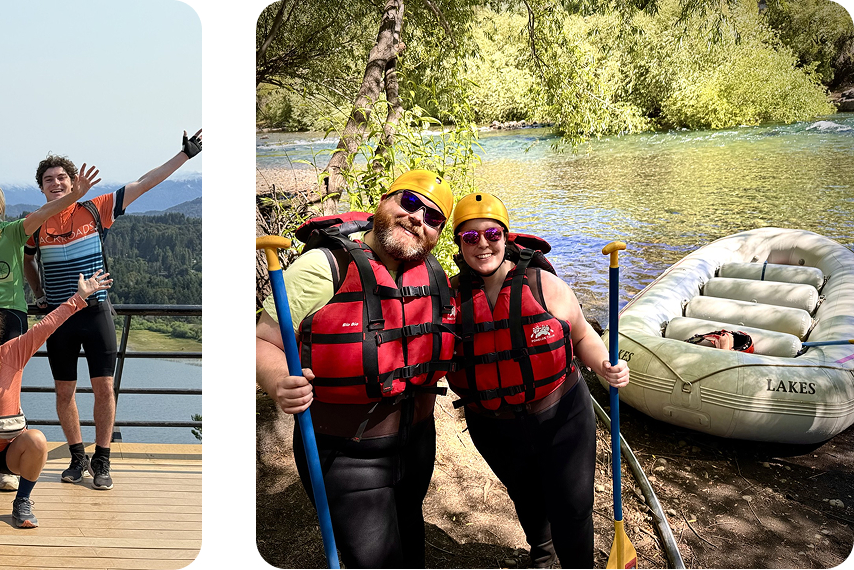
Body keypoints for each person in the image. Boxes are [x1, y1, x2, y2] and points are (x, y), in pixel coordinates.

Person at [255, 170, 457, 568]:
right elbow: (260, 340)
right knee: (374, 559)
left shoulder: (432, 275)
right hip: (345, 453)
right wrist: (278, 379)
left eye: (434, 218)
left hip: (416, 441)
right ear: (384, 201)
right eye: (410, 203)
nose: (419, 219)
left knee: (410, 540)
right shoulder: (323, 267)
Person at [445, 192, 629, 569]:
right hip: (493, 425)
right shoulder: (447, 297)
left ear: (507, 238)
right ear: (458, 244)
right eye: (470, 237)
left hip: (562, 415)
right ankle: (542, 556)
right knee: (525, 496)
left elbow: (581, 335)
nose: (483, 244)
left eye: (492, 234)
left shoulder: (544, 285)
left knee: (572, 507)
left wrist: (605, 364)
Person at [24, 129, 202, 490]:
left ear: (74, 182)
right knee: (63, 392)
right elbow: (28, 260)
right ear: (41, 188)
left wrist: (184, 155)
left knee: (104, 388)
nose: (55, 184)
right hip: (59, 318)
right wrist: (39, 292)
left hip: (96, 312)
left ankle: (102, 459)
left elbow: (144, 183)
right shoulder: (38, 220)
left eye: (62, 178)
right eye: (48, 180)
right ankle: (77, 456)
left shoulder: (95, 208)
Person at [0, 270, 114, 529]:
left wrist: (79, 298)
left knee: (37, 440)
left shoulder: (12, 354)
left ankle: (22, 500)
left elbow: (46, 325)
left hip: (12, 448)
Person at [0, 176, 97, 492]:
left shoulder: (12, 231)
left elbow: (44, 212)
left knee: (6, 387)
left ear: (0, 208)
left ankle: (8, 465)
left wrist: (73, 196)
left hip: (9, 314)